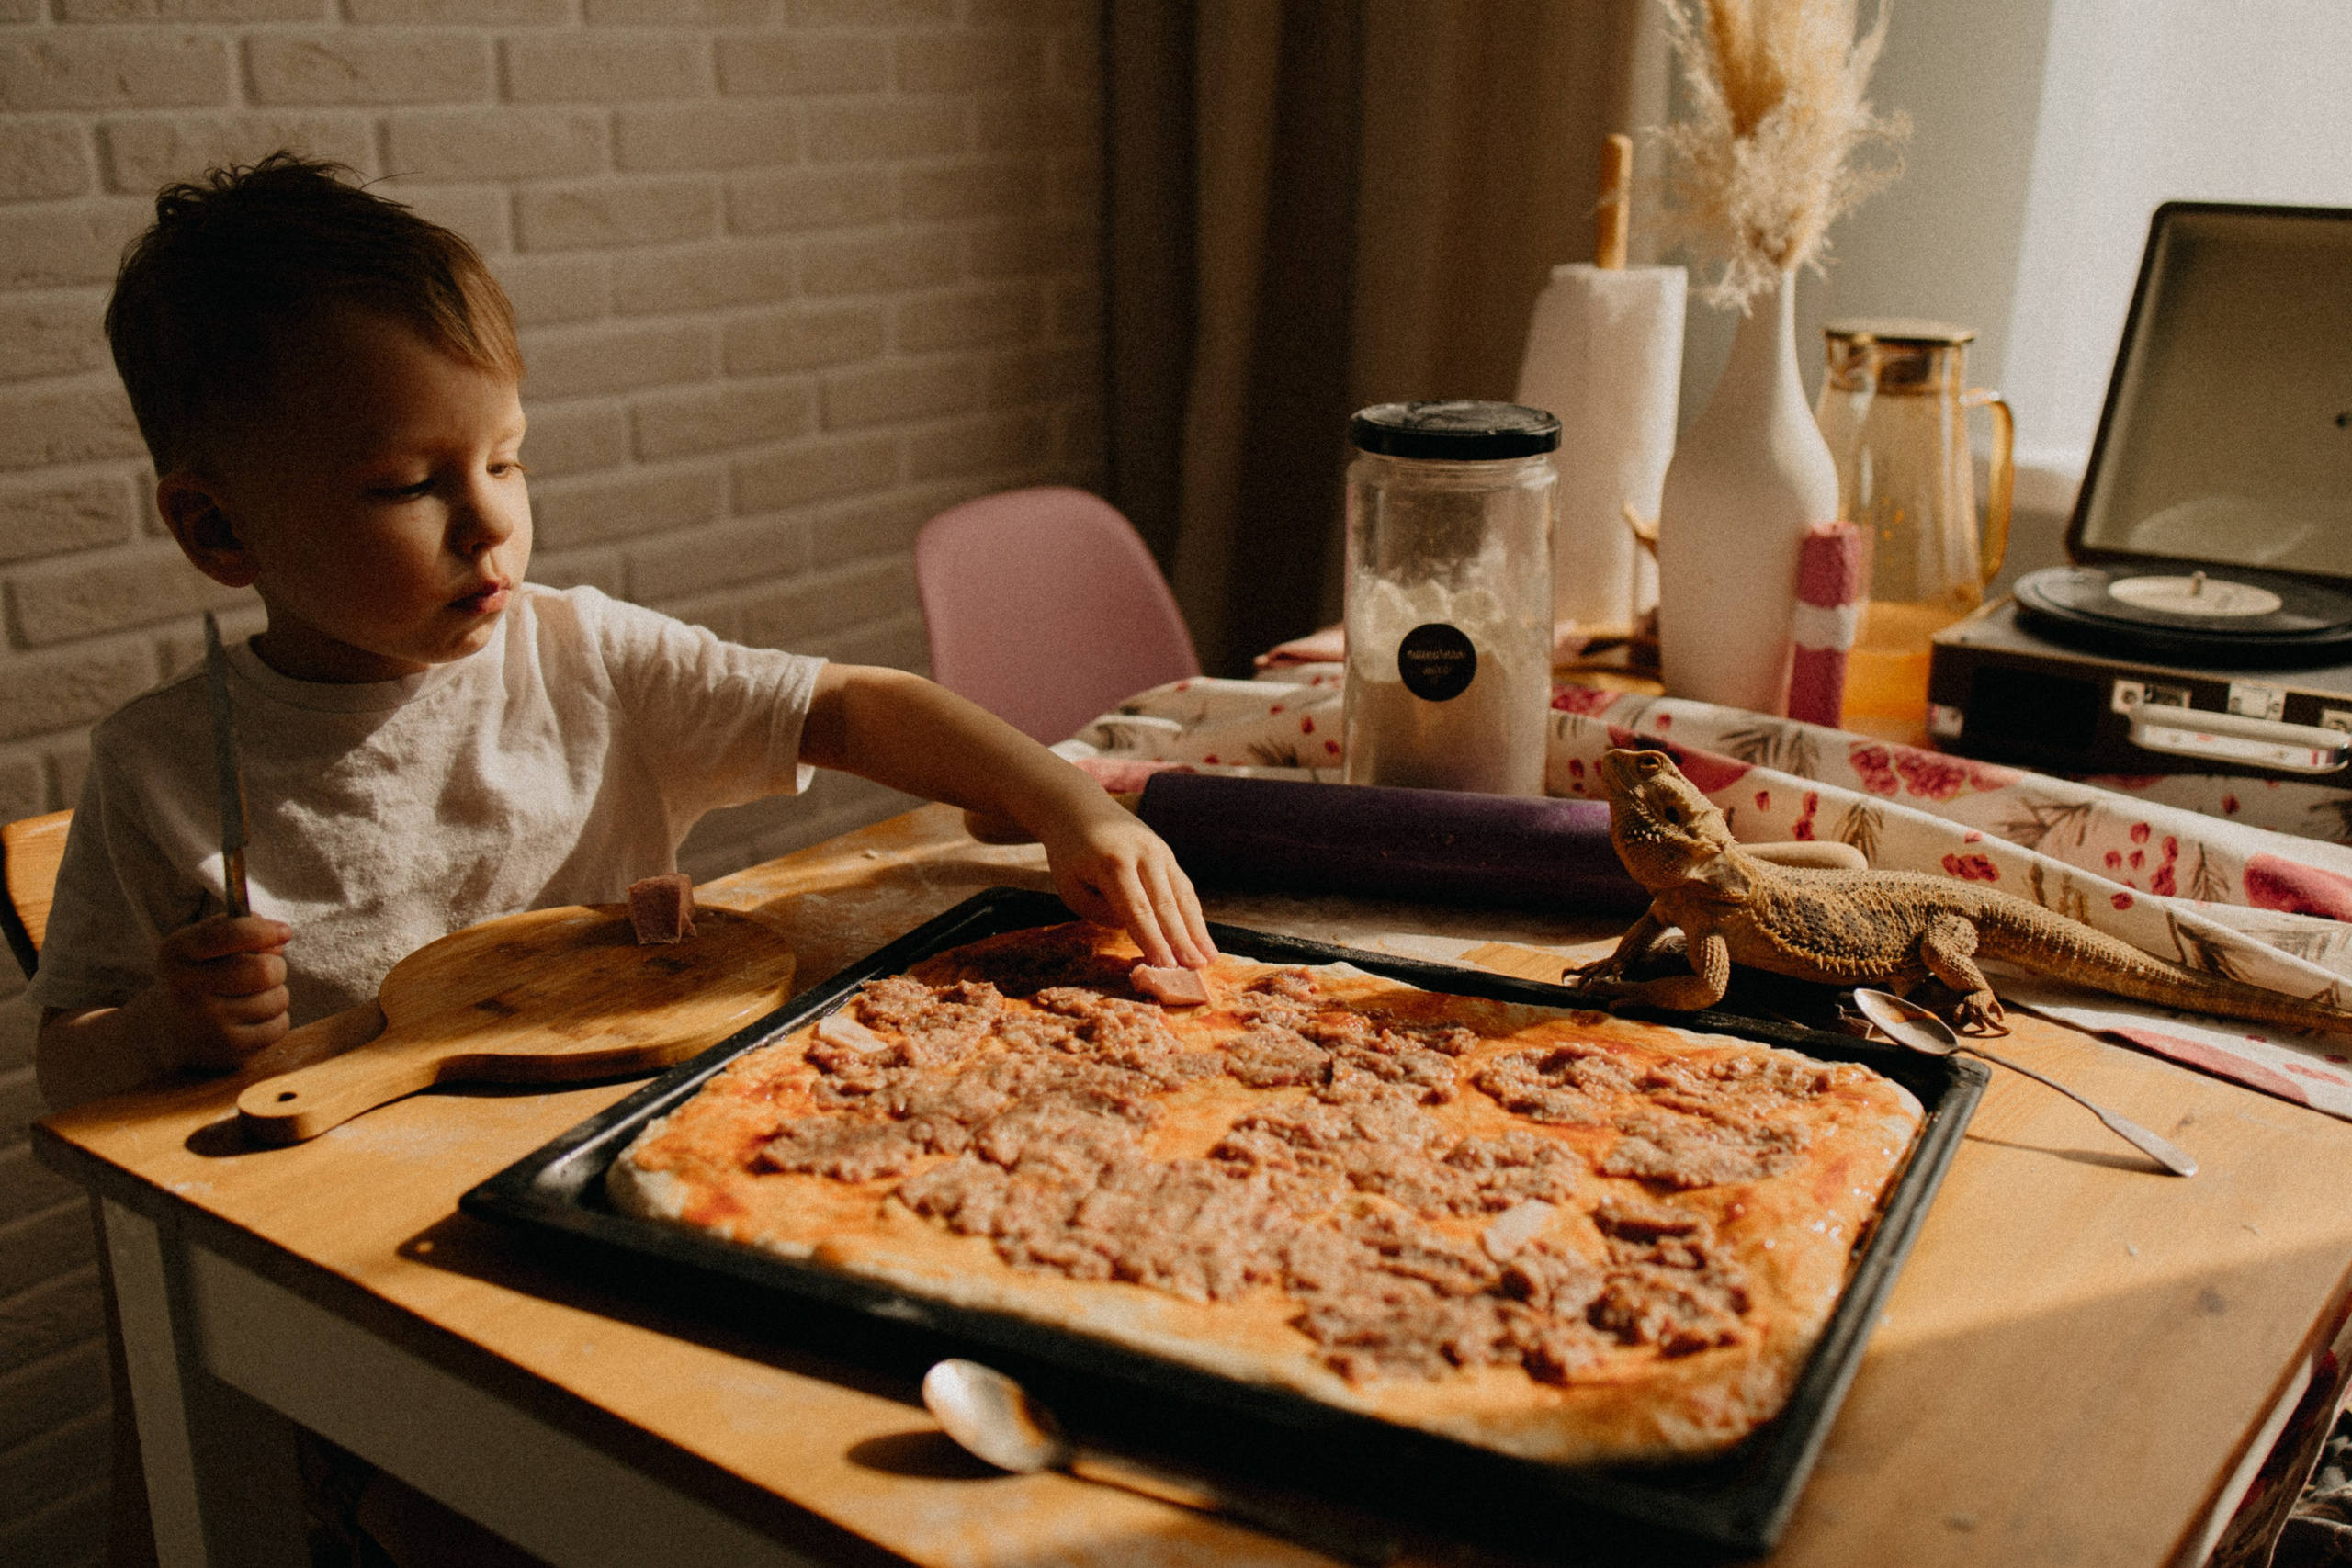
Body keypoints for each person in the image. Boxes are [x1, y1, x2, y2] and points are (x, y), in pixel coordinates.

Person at [31, 152, 1215, 1114]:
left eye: (507, 459)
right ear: (219, 529)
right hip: (328, 1198)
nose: (491, 517)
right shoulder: (162, 767)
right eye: (406, 486)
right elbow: (68, 1060)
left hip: (636, 1127)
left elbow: (852, 705)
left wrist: (1076, 807)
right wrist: (155, 1029)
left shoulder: (583, 659)